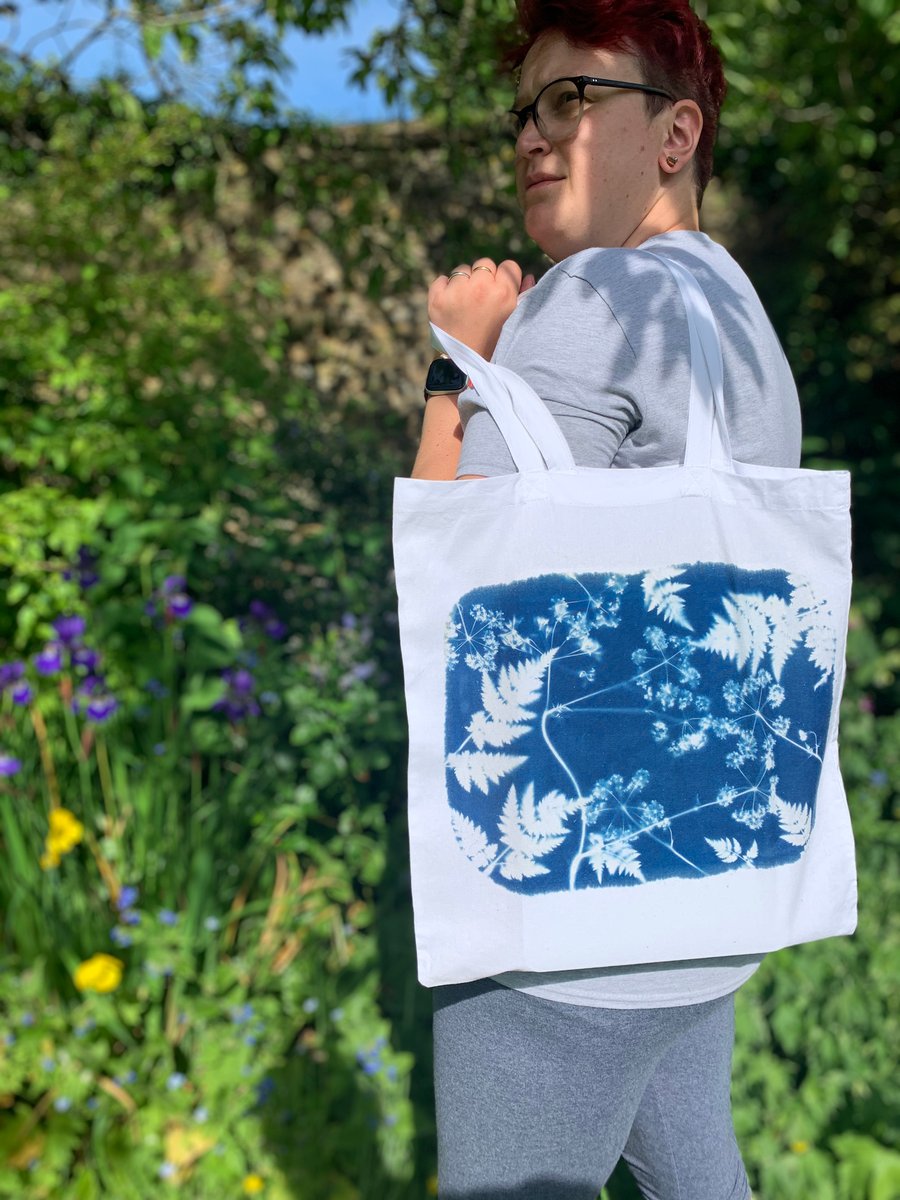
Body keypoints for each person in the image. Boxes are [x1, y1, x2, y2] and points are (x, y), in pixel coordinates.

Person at [411, 1, 799, 1196]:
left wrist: (455, 367)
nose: (534, 132)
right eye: (526, 109)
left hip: (564, 939)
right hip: (706, 898)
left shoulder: (589, 302)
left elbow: (453, 599)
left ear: (676, 135)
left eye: (574, 98)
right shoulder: (736, 312)